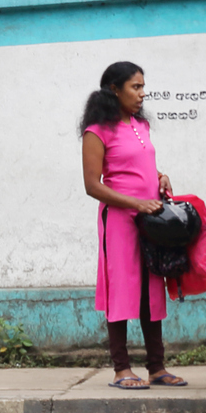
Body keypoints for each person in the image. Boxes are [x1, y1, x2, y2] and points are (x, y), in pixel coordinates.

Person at [79, 61, 186, 390]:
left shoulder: (141, 125)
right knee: (120, 290)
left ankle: (156, 367)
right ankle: (121, 368)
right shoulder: (96, 131)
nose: (142, 93)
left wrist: (159, 178)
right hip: (120, 222)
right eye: (135, 87)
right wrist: (136, 203)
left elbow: (139, 167)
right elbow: (92, 185)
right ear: (114, 89)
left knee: (151, 290)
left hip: (150, 221)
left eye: (143, 86)